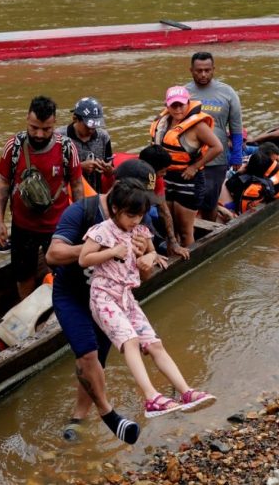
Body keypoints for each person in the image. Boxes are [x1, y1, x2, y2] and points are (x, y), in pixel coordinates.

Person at [46, 160, 166, 444]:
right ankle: (105, 414)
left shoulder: (137, 217)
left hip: (109, 298)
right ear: (116, 192)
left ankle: (81, 415)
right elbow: (53, 254)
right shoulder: (82, 211)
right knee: (86, 354)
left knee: (96, 360)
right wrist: (101, 248)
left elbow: (144, 272)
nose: (138, 216)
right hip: (73, 294)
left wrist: (147, 260)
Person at [79, 179, 216, 418]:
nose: (135, 221)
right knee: (130, 341)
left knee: (155, 344)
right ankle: (151, 397)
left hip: (127, 298)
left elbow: (153, 252)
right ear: (115, 210)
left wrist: (149, 258)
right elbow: (83, 259)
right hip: (104, 296)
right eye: (131, 215)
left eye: (140, 216)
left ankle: (186, 391)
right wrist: (111, 252)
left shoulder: (141, 231)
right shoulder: (102, 231)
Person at [0, 95, 83, 299]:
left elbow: (77, 185)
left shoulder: (67, 148)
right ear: (27, 118)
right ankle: (27, 310)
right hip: (23, 226)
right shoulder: (14, 146)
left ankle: (63, 307)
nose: (39, 134)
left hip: (60, 226)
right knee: (24, 275)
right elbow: (3, 185)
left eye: (46, 129)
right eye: (34, 127)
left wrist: (82, 222)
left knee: (65, 272)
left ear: (55, 123)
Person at [150, 85, 223, 246]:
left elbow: (217, 147)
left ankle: (188, 259)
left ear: (188, 103)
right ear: (166, 105)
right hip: (166, 178)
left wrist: (195, 167)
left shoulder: (197, 126)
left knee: (184, 231)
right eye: (173, 105)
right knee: (169, 230)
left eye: (181, 104)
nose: (177, 109)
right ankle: (170, 258)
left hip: (188, 181)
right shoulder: (163, 122)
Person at [185, 52, 243, 221]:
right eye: (199, 70)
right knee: (189, 200)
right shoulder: (184, 93)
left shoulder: (228, 92)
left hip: (216, 158)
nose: (203, 74)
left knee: (210, 201)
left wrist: (237, 155)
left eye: (207, 70)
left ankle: (208, 230)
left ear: (213, 69)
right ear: (191, 70)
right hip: (189, 158)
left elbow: (236, 127)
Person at [137, 144, 191, 260]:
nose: (165, 174)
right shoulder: (127, 177)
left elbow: (164, 211)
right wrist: (151, 253)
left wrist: (173, 243)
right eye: (163, 171)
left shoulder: (157, 179)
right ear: (150, 171)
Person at [60, 96, 113, 193]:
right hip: (69, 194)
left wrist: (108, 169)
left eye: (95, 127)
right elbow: (53, 171)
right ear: (75, 119)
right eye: (88, 127)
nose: (91, 130)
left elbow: (111, 171)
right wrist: (80, 167)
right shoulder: (60, 137)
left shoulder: (103, 137)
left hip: (95, 193)